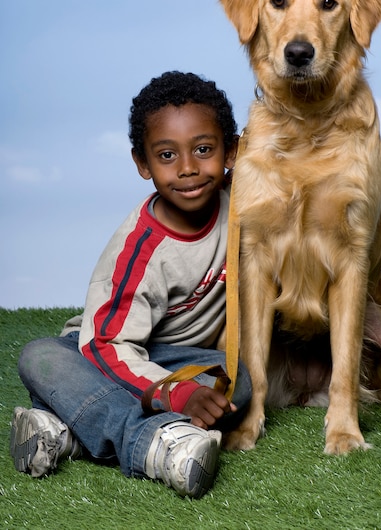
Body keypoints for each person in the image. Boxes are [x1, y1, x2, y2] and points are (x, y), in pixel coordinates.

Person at [10, 70, 251, 499]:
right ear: (142, 163)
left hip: (181, 356)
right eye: (166, 156)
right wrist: (179, 397)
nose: (189, 169)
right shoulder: (140, 248)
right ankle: (159, 447)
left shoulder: (243, 197)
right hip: (103, 352)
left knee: (242, 378)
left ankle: (64, 433)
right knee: (40, 357)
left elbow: (279, 152)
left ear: (230, 150)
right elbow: (106, 346)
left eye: (203, 149)